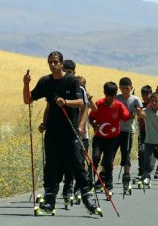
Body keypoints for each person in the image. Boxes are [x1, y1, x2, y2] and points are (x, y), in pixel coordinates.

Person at [23, 51, 101, 216]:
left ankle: (87, 197)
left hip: (70, 132)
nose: (52, 65)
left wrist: (65, 102)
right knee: (50, 165)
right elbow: (28, 100)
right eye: (50, 62)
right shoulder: (45, 81)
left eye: (55, 62)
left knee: (76, 164)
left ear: (61, 63)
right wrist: (25, 84)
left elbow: (82, 103)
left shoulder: (72, 80)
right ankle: (50, 199)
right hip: (52, 132)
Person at [89, 81, 131, 195]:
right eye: (107, 95)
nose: (109, 98)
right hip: (99, 137)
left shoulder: (118, 105)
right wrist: (94, 125)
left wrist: (134, 113)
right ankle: (88, 182)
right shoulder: (99, 103)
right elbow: (90, 117)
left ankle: (109, 185)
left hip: (112, 139)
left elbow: (126, 117)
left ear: (115, 94)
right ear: (104, 93)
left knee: (108, 162)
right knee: (96, 157)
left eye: (112, 95)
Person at [115, 77, 143, 194]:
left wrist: (138, 112)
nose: (125, 91)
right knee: (111, 154)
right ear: (119, 88)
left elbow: (142, 115)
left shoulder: (136, 100)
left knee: (126, 154)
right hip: (116, 130)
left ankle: (126, 178)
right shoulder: (116, 98)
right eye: (122, 88)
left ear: (131, 88)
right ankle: (106, 178)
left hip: (128, 131)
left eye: (127, 88)